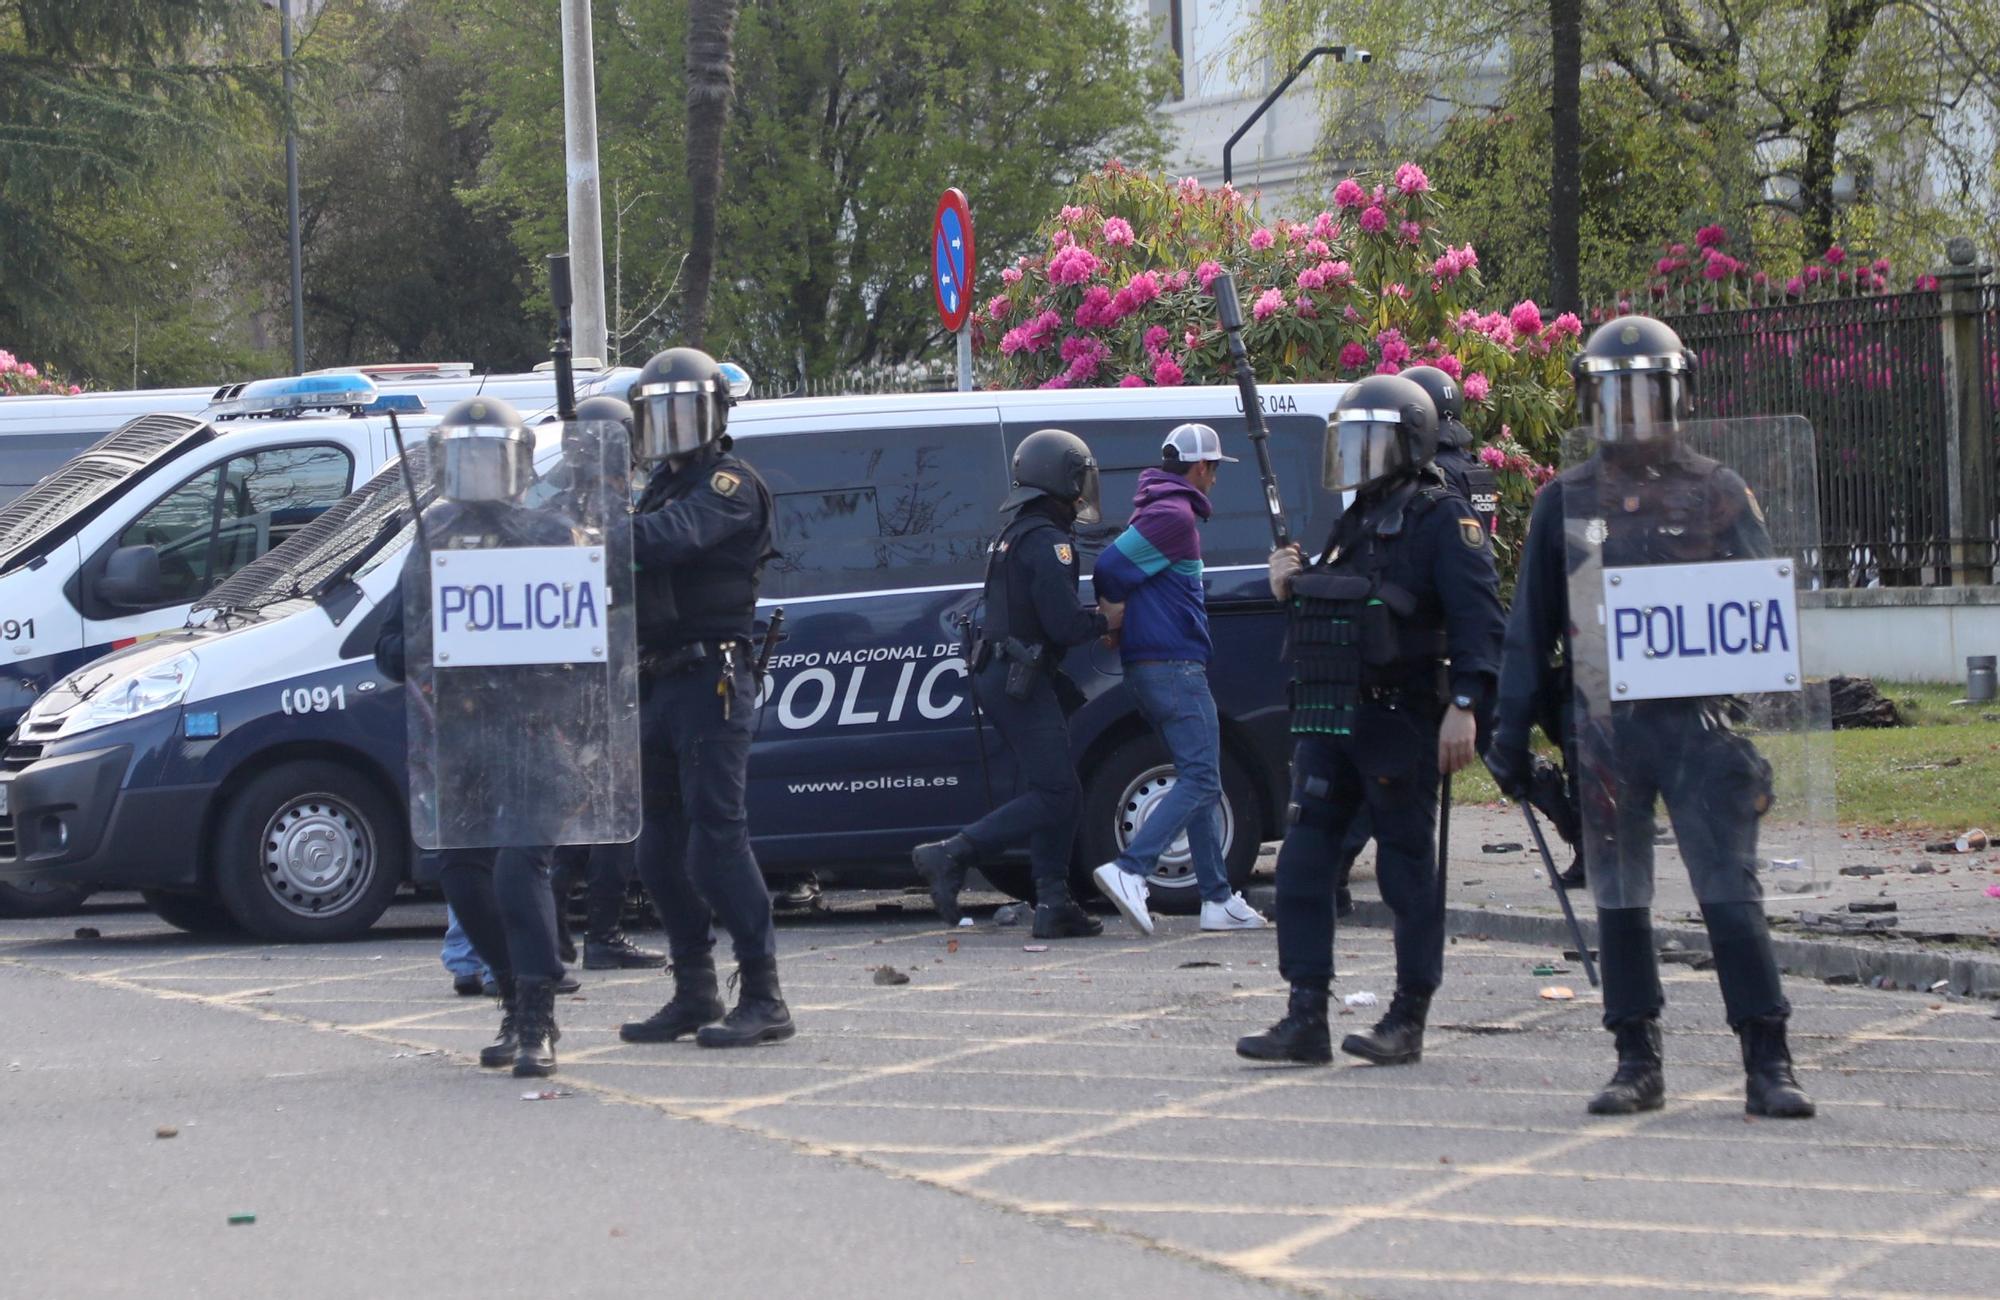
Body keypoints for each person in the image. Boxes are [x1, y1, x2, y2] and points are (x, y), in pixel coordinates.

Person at [1484, 315, 1815, 1119]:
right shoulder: (1564, 500)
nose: (1631, 414)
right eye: (1614, 397)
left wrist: (1776, 702)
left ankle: (1767, 1060)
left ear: (1677, 396)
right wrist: (1510, 735)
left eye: (1646, 394)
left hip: (1700, 729)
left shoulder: (1718, 491)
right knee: (1621, 898)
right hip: (1605, 730)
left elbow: (1768, 609)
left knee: (1728, 894)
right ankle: (1637, 1056)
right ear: (1592, 403)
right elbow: (1531, 627)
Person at [1237, 374, 1504, 1067]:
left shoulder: (1444, 520)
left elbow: (1482, 625)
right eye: (1348, 442)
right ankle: (1306, 1016)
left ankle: (1408, 1016)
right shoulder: (1355, 521)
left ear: (1408, 444)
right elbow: (1337, 611)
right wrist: (1287, 585)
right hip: (1333, 722)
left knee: (1406, 875)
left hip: (1403, 720)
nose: (1356, 456)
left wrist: (1466, 708)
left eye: (1370, 442)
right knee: (1301, 866)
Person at [378, 396, 577, 1077]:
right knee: (461, 875)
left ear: (517, 464)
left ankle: (539, 1013)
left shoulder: (551, 535)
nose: (481, 470)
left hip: (532, 730)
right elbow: (387, 642)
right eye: (468, 457)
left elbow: (590, 634)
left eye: (492, 456)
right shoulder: (434, 537)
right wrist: (434, 633)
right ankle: (511, 990)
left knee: (521, 870)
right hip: (462, 736)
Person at [616, 347, 795, 1049]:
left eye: (685, 411)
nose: (671, 428)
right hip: (657, 678)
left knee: (715, 842)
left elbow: (668, 541)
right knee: (656, 850)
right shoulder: (658, 485)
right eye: (658, 415)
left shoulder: (727, 483)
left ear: (715, 416)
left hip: (712, 679)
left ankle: (764, 994)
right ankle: (694, 989)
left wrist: (592, 527)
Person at [911, 428, 1123, 939]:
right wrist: (1110, 619)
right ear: (1061, 479)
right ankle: (951, 855)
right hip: (1017, 679)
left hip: (1006, 674)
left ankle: (1054, 902)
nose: (1083, 491)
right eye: (1078, 480)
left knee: (1057, 789)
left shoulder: (1016, 532)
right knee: (1056, 793)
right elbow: (1064, 626)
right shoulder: (1049, 542)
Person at [1087, 422, 1265, 933]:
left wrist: (1121, 616)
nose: (1214, 480)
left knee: (1200, 775)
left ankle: (1216, 899)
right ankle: (1130, 868)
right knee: (1204, 777)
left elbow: (1122, 573)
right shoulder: (1173, 516)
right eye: (1214, 470)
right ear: (1202, 467)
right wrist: (1114, 610)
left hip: (1157, 666)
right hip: (1172, 667)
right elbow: (1110, 568)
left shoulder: (1160, 510)